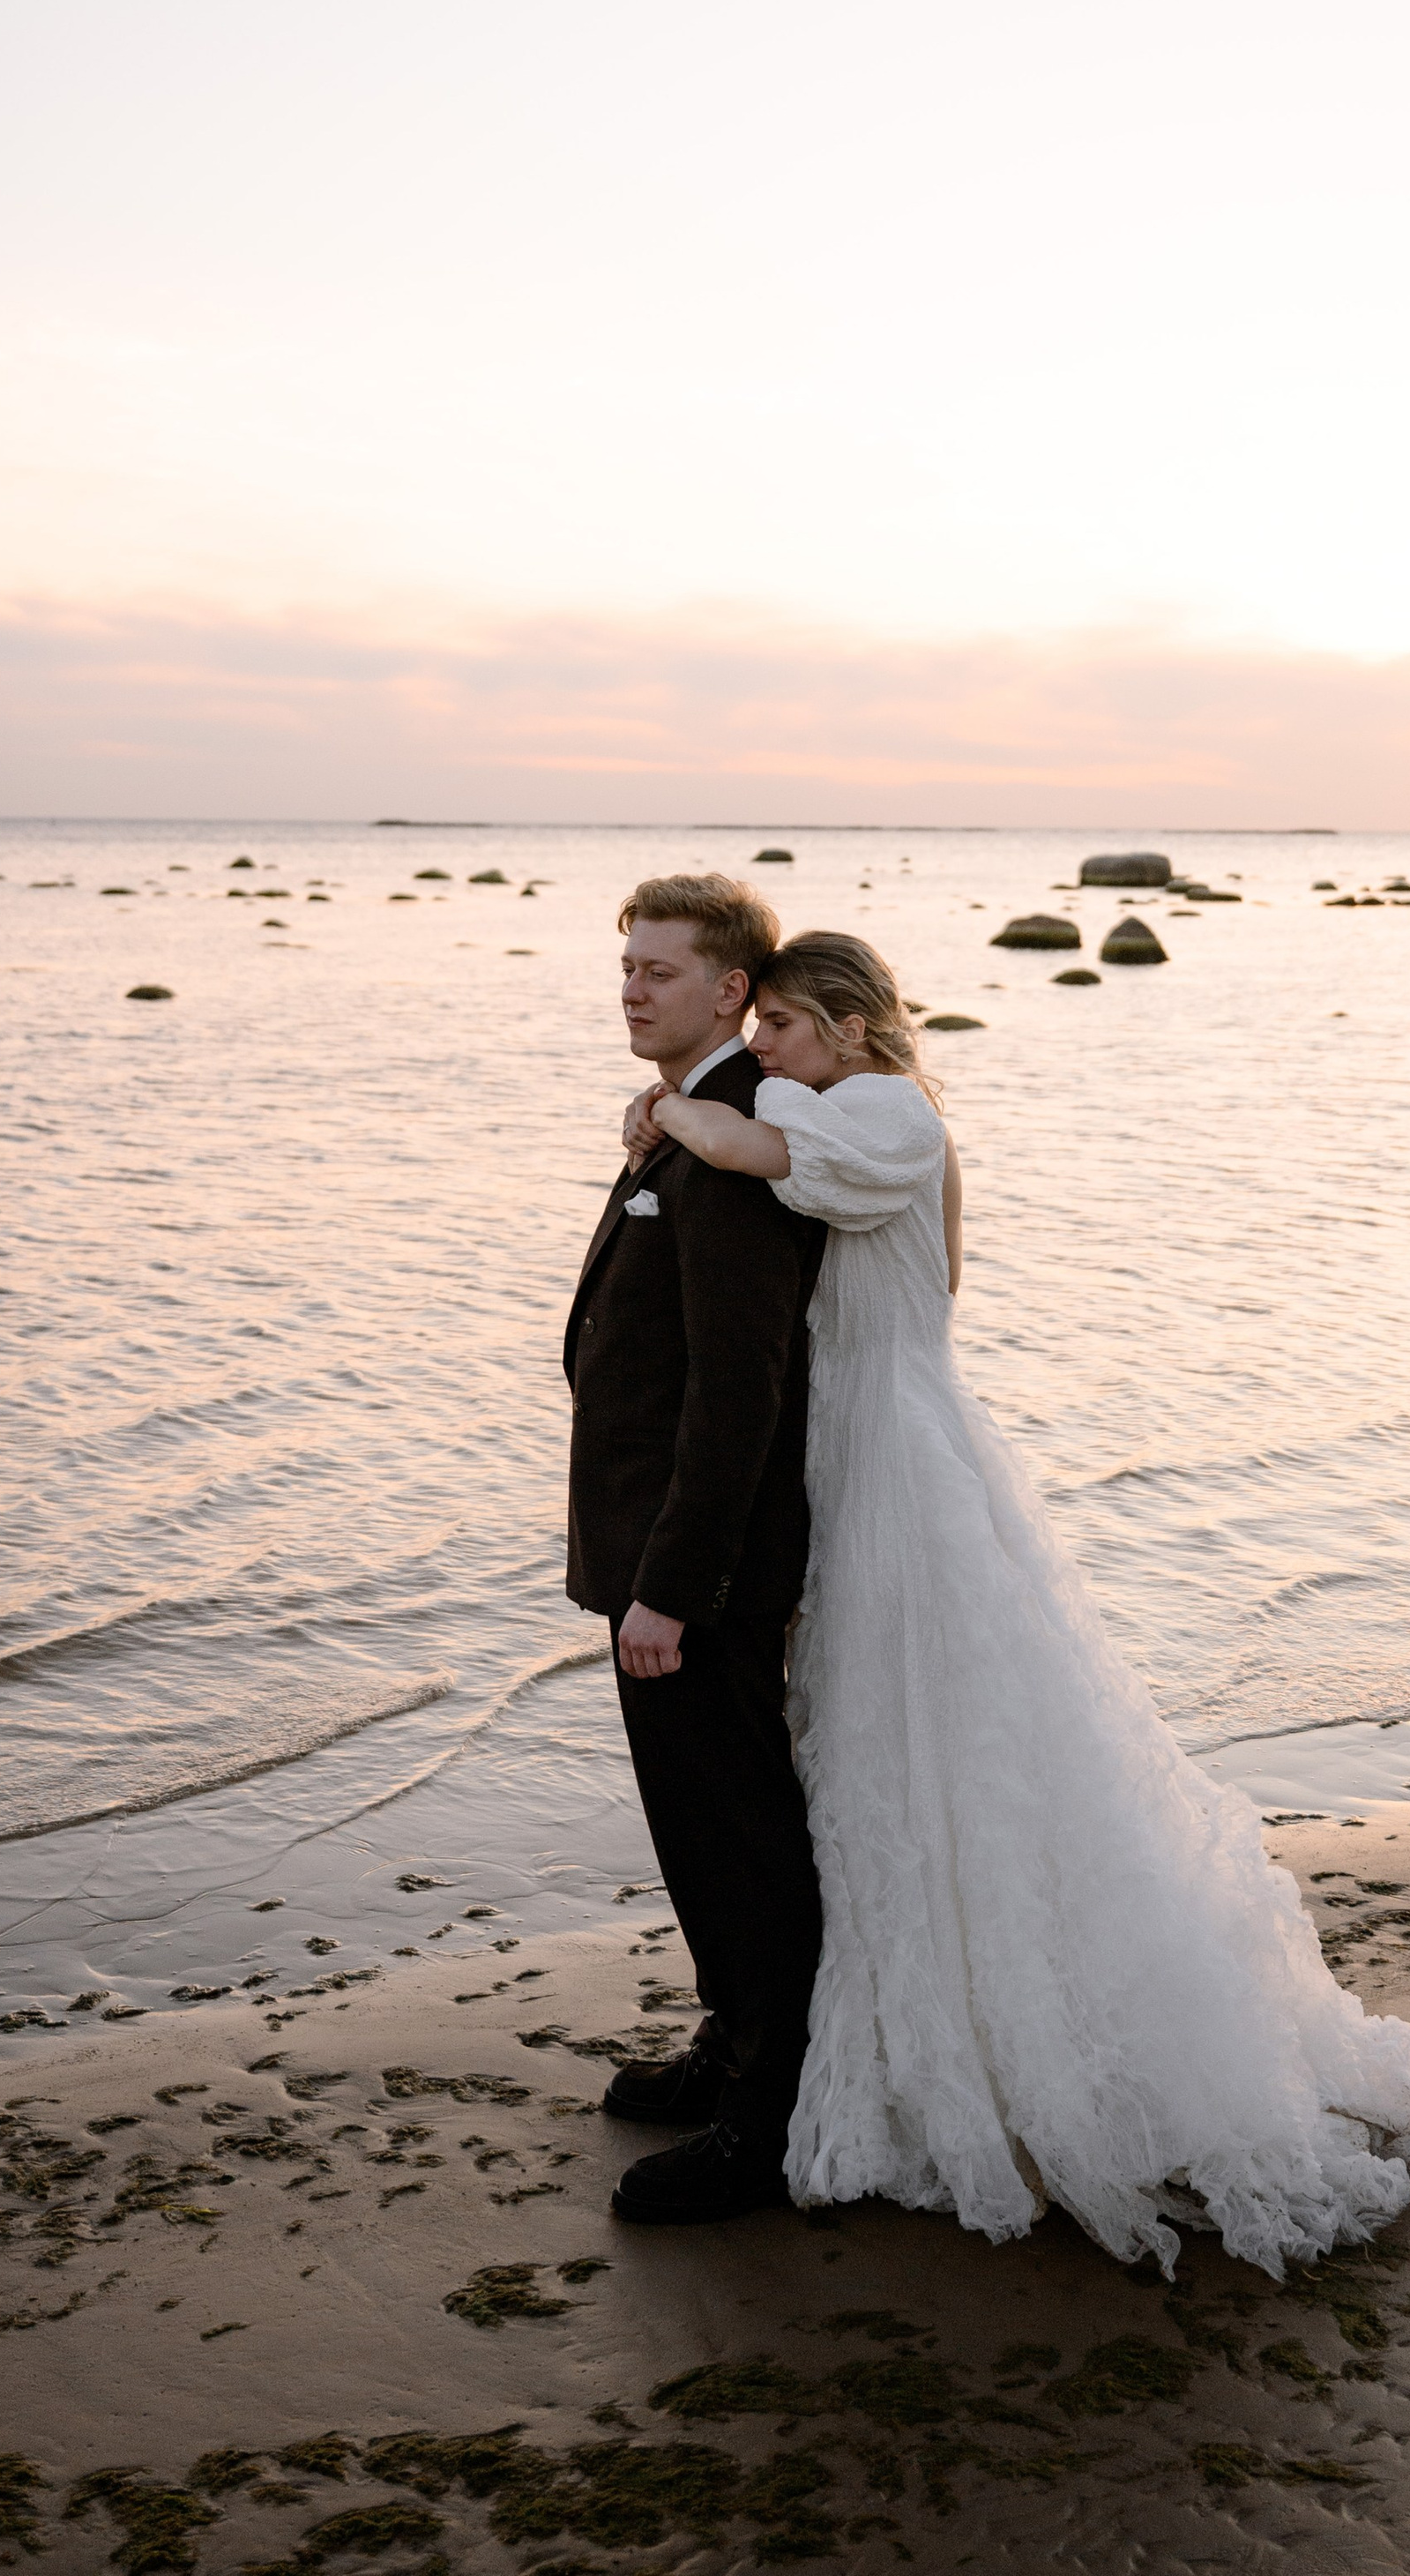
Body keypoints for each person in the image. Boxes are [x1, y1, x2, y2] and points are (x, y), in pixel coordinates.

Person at [632, 928, 1410, 2276]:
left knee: (930, 1723)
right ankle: (887, 2031)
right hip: (874, 1431)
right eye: (757, 1030)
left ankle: (975, 2046)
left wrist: (669, 1108)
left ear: (853, 1029)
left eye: (783, 1028)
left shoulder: (884, 1115)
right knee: (887, 1738)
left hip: (895, 1449)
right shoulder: (855, 1111)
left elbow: (746, 1147)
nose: (764, 1050)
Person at [563, 873, 828, 2225]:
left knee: (736, 1835)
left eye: (658, 971)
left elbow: (741, 1392)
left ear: (731, 990)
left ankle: (767, 2125)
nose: (631, 989)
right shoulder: (686, 1117)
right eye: (626, 967)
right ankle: (732, 2043)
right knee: (698, 1824)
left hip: (699, 1571)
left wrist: (672, 1587)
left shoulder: (737, 1142)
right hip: (656, 1548)